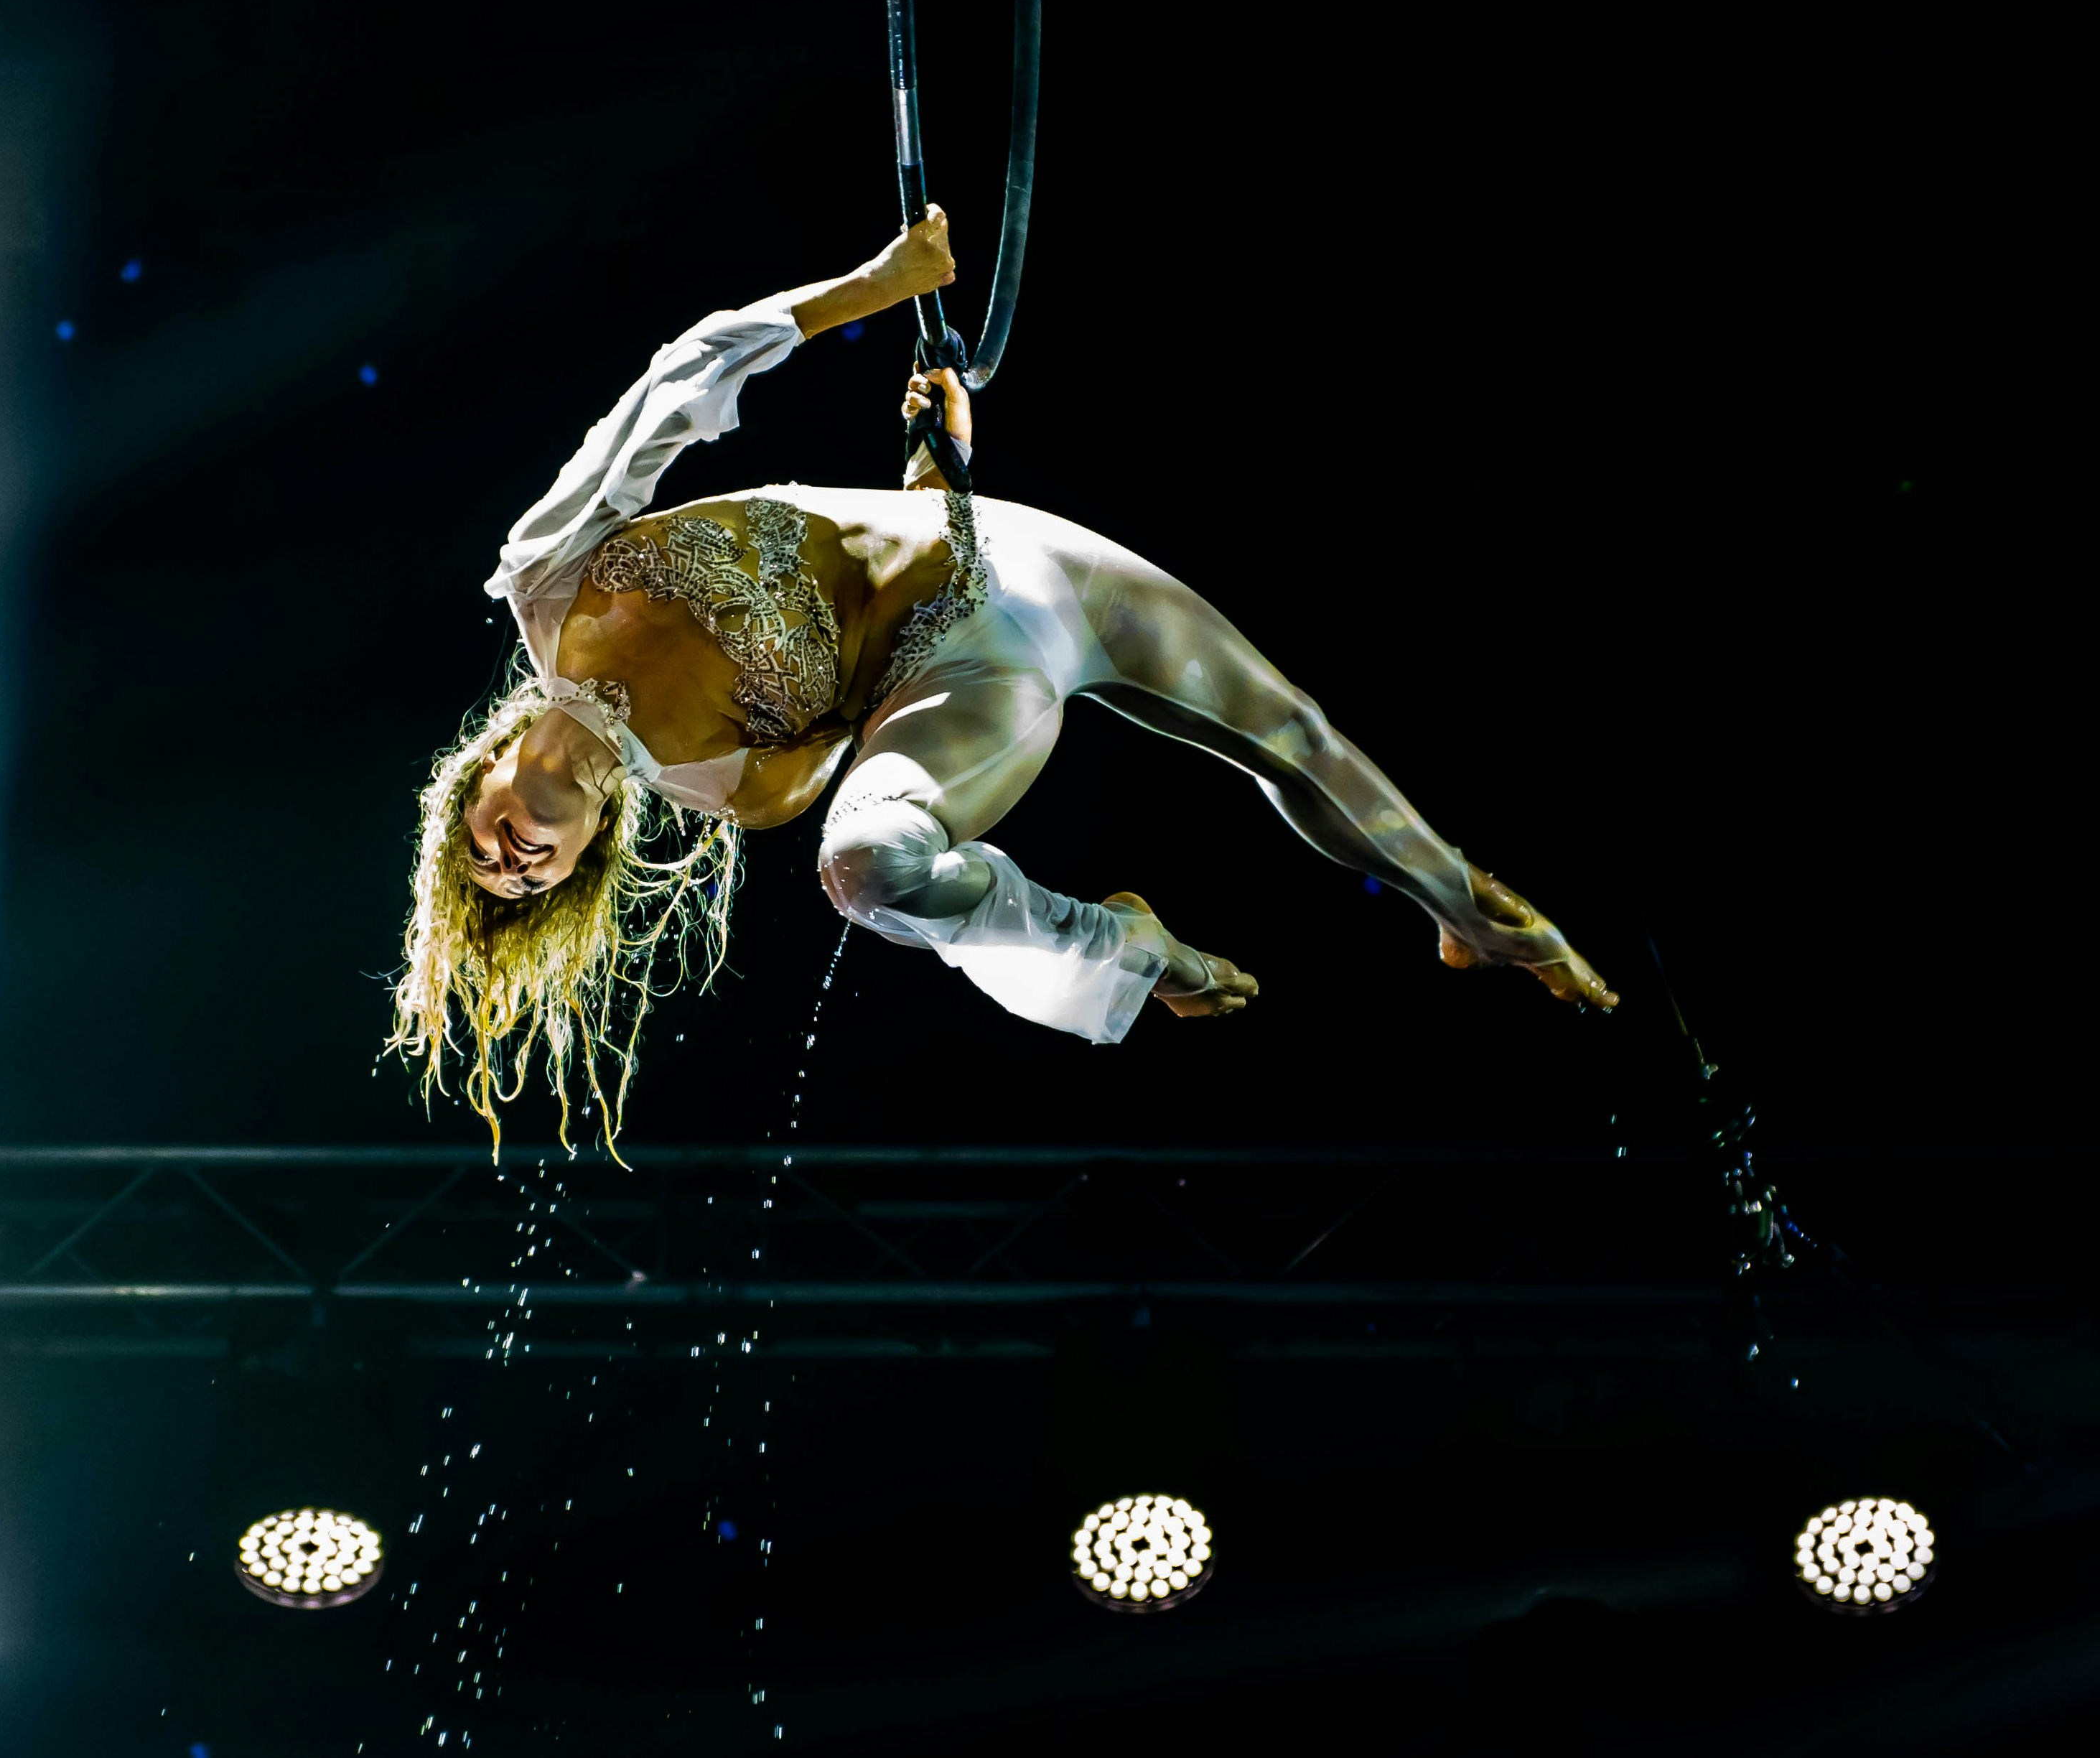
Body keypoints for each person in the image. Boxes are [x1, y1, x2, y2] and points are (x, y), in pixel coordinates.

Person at [388, 208, 1614, 1154]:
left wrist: (883, 295)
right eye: (527, 884)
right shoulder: (731, 786)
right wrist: (930, 482)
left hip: (1017, 553)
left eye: (482, 857)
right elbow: (872, 689)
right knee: (868, 864)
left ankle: (1468, 912)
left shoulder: (547, 574)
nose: (513, 863)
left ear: (472, 782)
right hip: (975, 667)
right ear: (589, 853)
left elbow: (681, 380)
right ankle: (1126, 951)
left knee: (1290, 732)